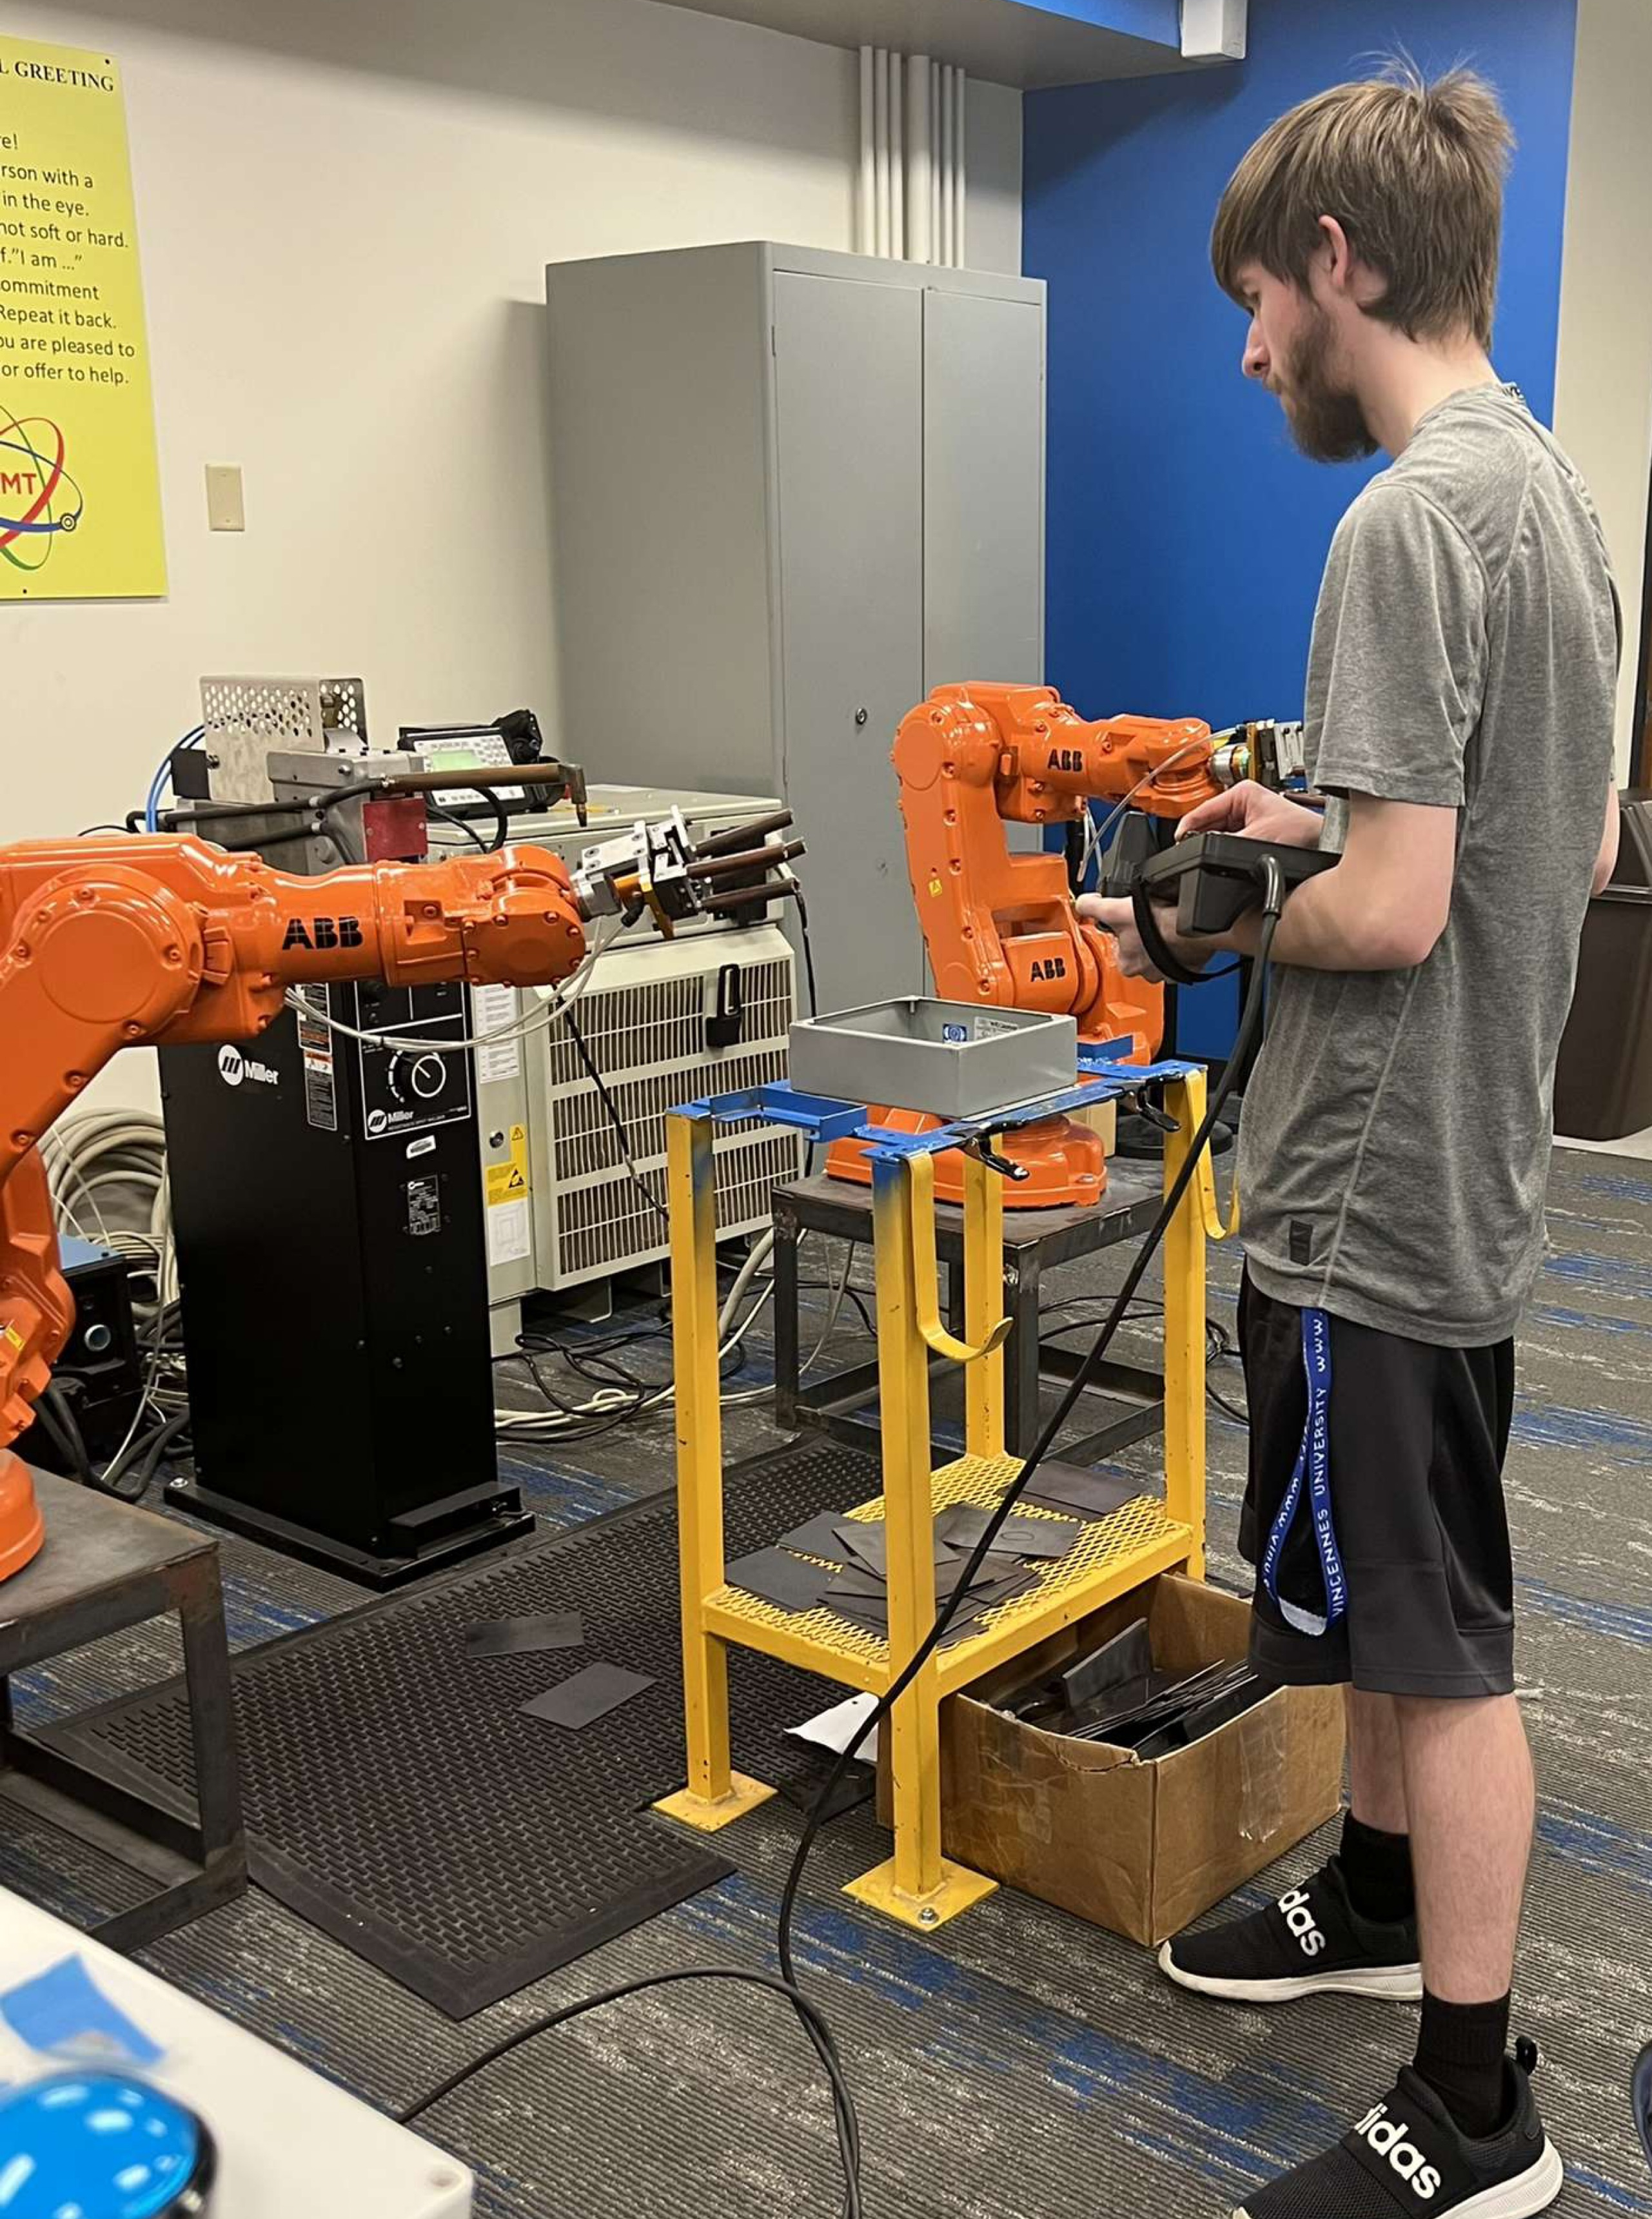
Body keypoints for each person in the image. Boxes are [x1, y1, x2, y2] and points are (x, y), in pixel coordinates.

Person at [1081, 63, 1620, 2219]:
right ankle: (1376, 1890)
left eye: (1250, 303)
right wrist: (1310, 816)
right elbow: (1556, 844)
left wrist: (1205, 904)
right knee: (1385, 1602)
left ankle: (1475, 2105)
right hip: (1469, 1154)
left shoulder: (1398, 516)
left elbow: (1393, 917)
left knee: (1433, 1634)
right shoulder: (1555, 493)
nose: (1243, 354)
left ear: (1338, 262)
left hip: (1373, 1180)